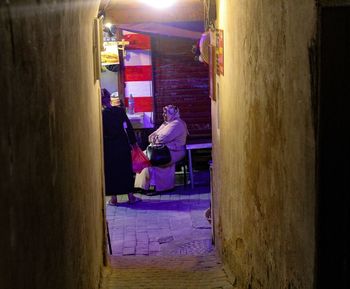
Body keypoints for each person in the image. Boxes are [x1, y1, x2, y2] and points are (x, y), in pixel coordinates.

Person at [134, 105, 188, 194]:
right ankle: (142, 186)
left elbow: (161, 138)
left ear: (173, 113)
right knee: (142, 157)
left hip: (175, 152)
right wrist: (156, 139)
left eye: (166, 113)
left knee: (152, 160)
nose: (164, 115)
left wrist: (156, 139)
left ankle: (156, 187)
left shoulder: (176, 124)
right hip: (163, 149)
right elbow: (150, 137)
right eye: (164, 113)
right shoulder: (166, 123)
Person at [101, 90, 141, 206]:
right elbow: (128, 127)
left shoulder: (101, 114)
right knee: (125, 170)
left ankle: (114, 199)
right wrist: (134, 143)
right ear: (109, 99)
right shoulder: (120, 111)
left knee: (111, 171)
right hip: (122, 144)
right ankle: (130, 197)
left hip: (109, 146)